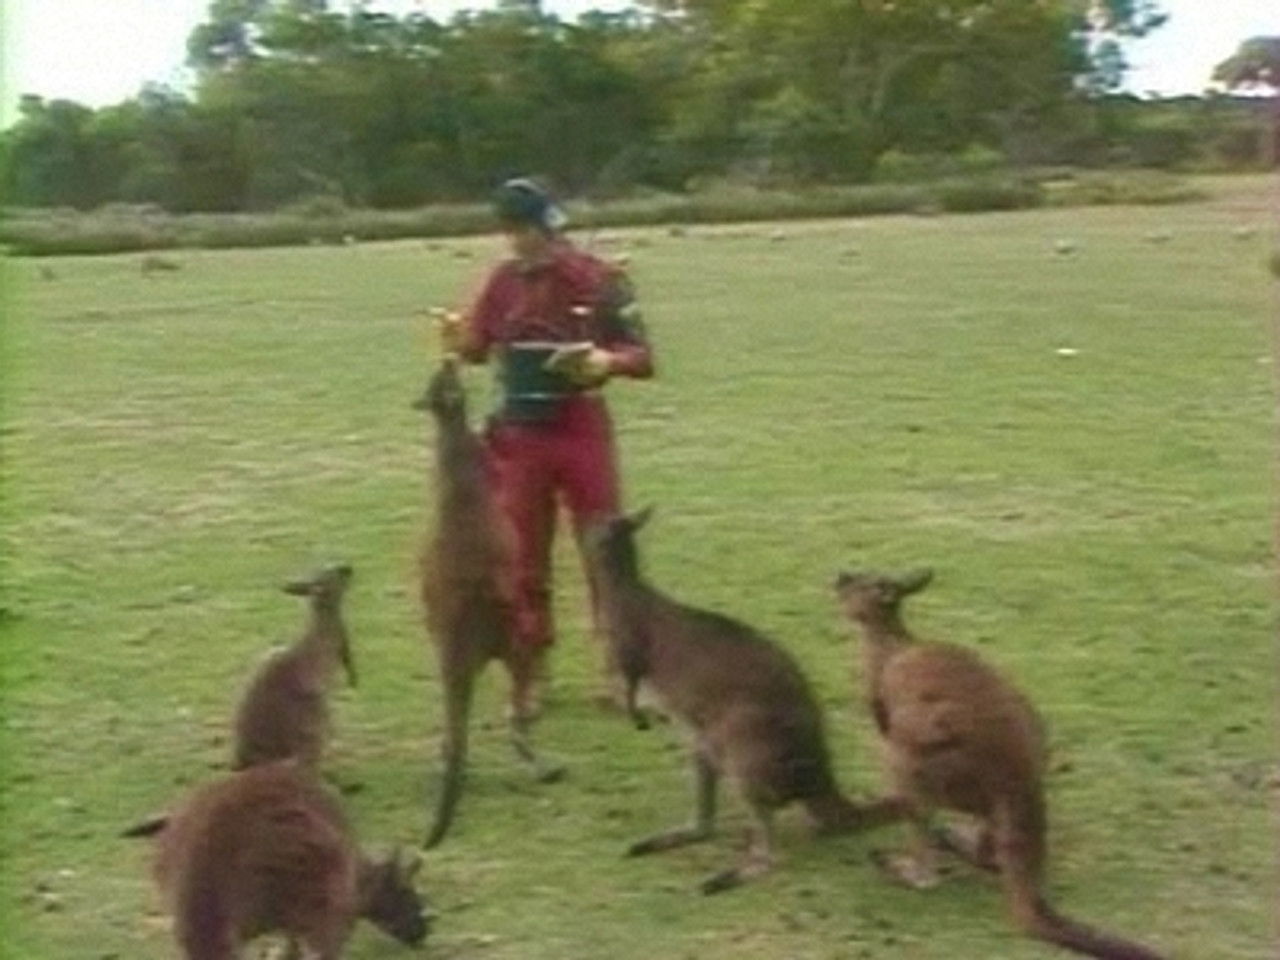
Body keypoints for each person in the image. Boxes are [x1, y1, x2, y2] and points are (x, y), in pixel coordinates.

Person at [438, 178, 654, 713]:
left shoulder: (599, 279)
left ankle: (619, 671)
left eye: (541, 231)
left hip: (580, 426)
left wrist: (607, 361)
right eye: (523, 233)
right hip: (520, 433)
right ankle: (530, 672)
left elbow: (642, 354)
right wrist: (456, 336)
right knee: (523, 559)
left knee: (604, 550)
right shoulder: (500, 282)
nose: (535, 243)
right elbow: (476, 349)